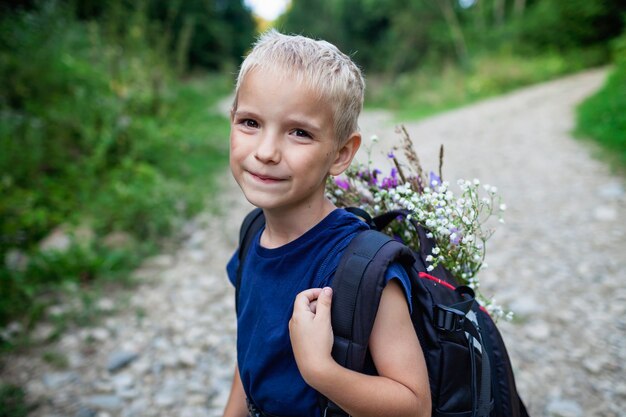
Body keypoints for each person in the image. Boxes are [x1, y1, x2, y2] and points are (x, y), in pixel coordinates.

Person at [223, 30, 431, 417]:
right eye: (250, 123)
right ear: (231, 121)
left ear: (340, 154)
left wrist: (320, 370)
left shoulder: (362, 271)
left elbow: (415, 406)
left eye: (299, 132)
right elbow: (250, 351)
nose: (266, 152)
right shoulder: (254, 232)